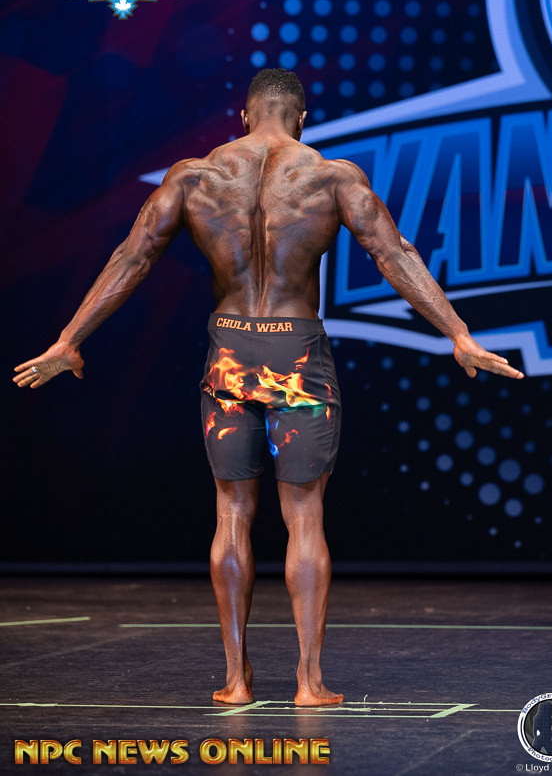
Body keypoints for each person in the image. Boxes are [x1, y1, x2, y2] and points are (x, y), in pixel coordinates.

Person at [13, 68, 524, 707]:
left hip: (229, 352)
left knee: (231, 511)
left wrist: (69, 339)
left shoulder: (194, 177)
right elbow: (395, 254)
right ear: (302, 118)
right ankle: (309, 683)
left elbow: (132, 256)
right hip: (297, 353)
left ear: (245, 115)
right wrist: (459, 333)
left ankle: (236, 680)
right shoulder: (331, 177)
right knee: (304, 516)